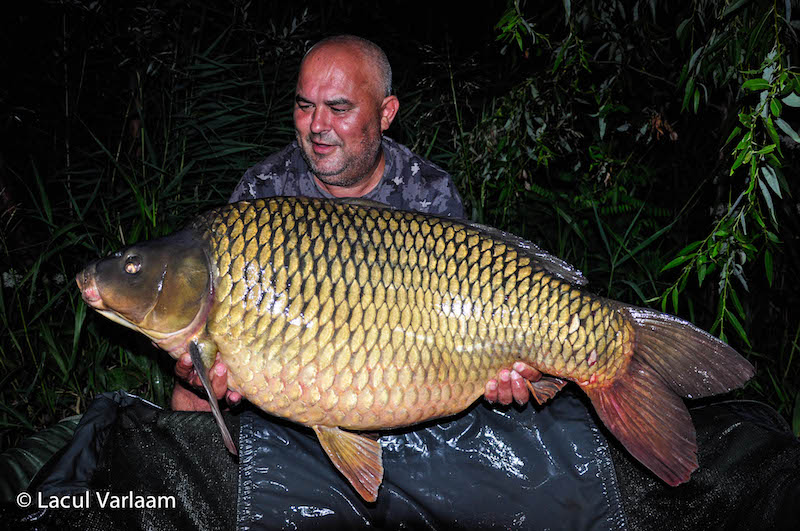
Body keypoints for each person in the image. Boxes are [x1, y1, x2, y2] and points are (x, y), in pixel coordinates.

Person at [170, 34, 537, 412]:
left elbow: (466, 317)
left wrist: (501, 371)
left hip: (408, 369)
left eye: (339, 108)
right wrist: (213, 374)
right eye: (304, 105)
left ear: (386, 113)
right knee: (189, 392)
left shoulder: (428, 192)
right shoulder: (264, 189)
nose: (316, 125)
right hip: (296, 370)